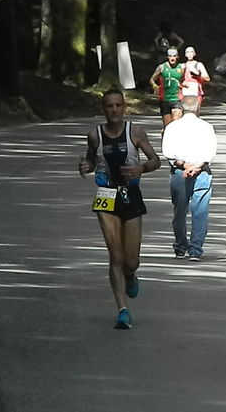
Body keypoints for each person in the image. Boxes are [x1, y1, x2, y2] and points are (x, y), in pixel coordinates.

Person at [78, 89, 161, 329]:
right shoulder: (95, 135)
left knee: (131, 260)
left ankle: (131, 273)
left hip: (131, 195)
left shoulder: (134, 132)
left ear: (124, 107)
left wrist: (141, 169)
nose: (113, 110)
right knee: (115, 255)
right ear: (103, 109)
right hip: (106, 196)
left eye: (117, 105)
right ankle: (122, 310)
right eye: (109, 106)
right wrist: (86, 165)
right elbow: (91, 159)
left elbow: (155, 160)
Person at [161, 95, 217, 261]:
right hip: (202, 171)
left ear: (182, 108)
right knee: (200, 212)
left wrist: (185, 165)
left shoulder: (172, 127)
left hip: (180, 171)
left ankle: (180, 247)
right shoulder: (207, 127)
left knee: (180, 211)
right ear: (198, 108)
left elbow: (168, 151)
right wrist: (197, 166)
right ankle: (195, 249)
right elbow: (211, 151)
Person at [149, 47, 184, 127]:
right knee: (168, 127)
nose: (172, 58)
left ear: (177, 57)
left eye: (174, 56)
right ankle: (165, 136)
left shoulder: (181, 67)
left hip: (177, 99)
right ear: (167, 57)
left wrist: (184, 85)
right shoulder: (162, 67)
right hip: (165, 100)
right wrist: (155, 86)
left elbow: (184, 79)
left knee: (176, 125)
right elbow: (152, 79)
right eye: (170, 56)